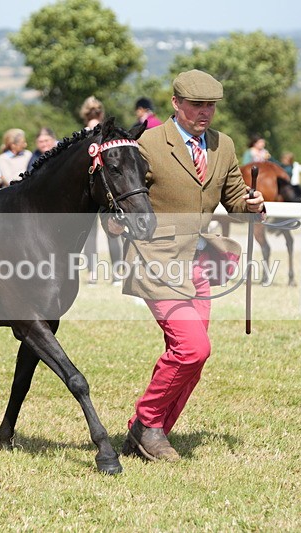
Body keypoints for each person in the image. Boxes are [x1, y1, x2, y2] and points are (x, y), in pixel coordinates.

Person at [107, 69, 265, 462]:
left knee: (194, 358)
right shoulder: (147, 143)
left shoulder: (223, 146)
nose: (205, 112)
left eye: (211, 105)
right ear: (176, 104)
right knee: (192, 348)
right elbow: (121, 194)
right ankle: (147, 424)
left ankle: (148, 434)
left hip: (199, 263)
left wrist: (253, 206)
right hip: (154, 260)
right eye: (197, 104)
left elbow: (235, 203)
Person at [78, 96, 123, 284]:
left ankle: (93, 273)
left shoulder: (81, 135)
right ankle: (117, 273)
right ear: (101, 113)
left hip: (89, 190)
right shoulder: (107, 133)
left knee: (90, 234)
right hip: (106, 190)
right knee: (112, 231)